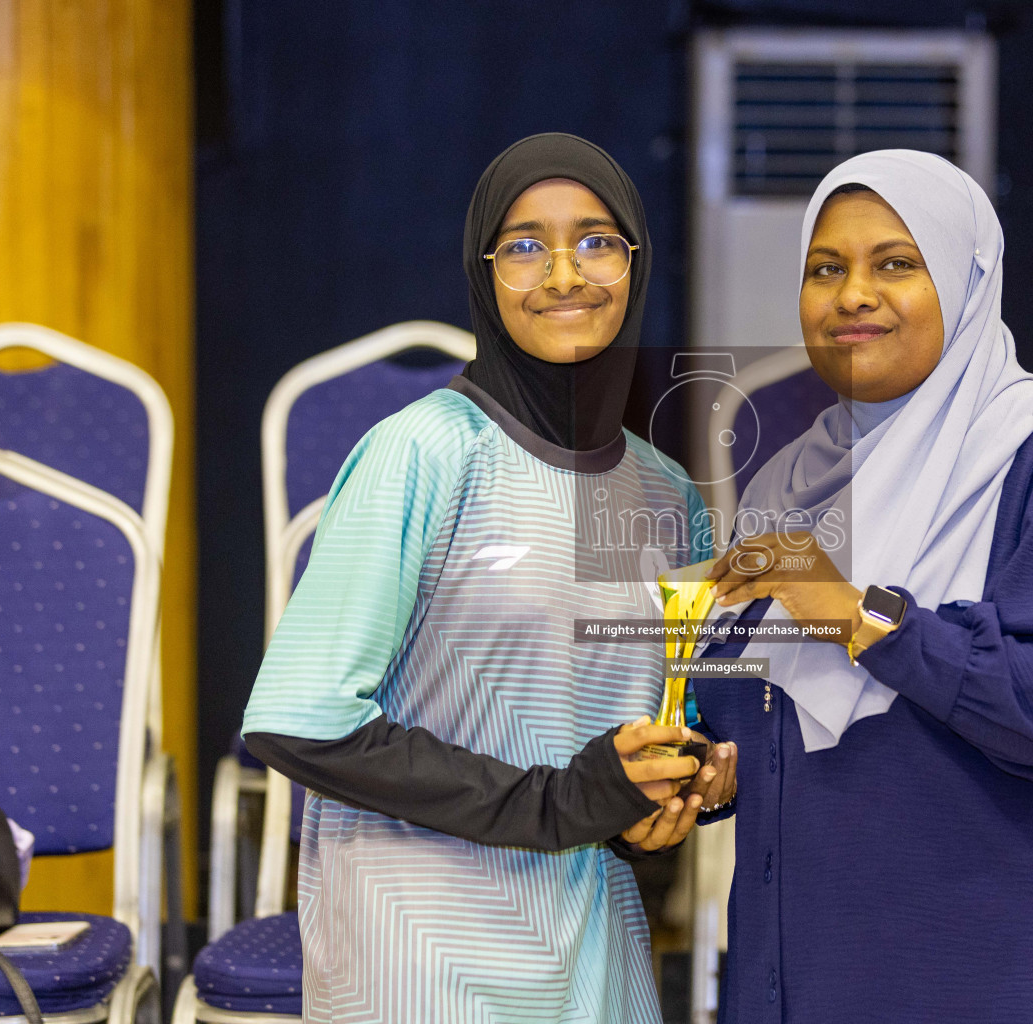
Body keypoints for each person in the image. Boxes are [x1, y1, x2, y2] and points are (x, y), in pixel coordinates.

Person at [242, 132, 737, 1024]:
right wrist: (558, 803)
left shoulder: (666, 496)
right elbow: (298, 720)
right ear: (484, 271)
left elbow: (661, 721)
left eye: (596, 240)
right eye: (523, 246)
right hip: (420, 956)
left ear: (636, 262)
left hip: (595, 952)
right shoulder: (423, 452)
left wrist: (677, 788)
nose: (563, 275)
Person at [692, 150, 1033, 1022]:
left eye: (895, 263)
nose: (852, 295)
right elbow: (753, 721)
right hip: (820, 964)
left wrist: (863, 614)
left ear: (966, 279)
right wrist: (702, 768)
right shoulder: (786, 486)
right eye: (825, 268)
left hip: (1013, 966)